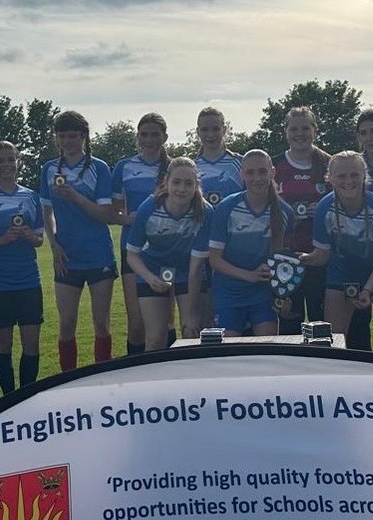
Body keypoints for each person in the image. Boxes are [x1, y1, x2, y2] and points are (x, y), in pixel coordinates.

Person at [304, 151, 373, 355]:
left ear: (364, 175)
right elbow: (323, 254)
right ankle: (338, 386)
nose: (348, 181)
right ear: (330, 178)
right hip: (342, 276)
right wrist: (301, 259)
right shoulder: (324, 208)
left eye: (354, 175)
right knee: (333, 340)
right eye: (341, 176)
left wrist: (368, 290)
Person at [40, 110, 115, 369]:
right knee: (66, 324)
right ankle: (66, 382)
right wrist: (54, 244)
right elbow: (46, 211)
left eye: (72, 136)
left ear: (83, 136)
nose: (66, 142)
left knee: (101, 323)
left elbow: (105, 215)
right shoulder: (49, 169)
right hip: (67, 257)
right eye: (61, 136)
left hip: (99, 255)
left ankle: (101, 376)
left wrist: (76, 197)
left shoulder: (100, 168)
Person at [0, 141, 45, 395]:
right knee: (3, 344)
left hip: (28, 279)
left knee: (31, 344)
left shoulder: (30, 196)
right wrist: (1, 240)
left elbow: (39, 240)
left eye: (10, 159)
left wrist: (28, 236)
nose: (6, 165)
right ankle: (8, 397)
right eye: (0, 160)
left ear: (18, 163)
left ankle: (25, 396)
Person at [125, 157, 212, 349]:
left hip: (186, 270)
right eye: (176, 182)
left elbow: (196, 266)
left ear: (196, 184)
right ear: (166, 181)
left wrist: (190, 314)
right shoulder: (149, 208)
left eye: (189, 183)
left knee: (192, 333)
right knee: (156, 338)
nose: (182, 189)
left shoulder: (205, 212)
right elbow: (132, 254)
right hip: (154, 269)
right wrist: (148, 278)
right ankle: (154, 378)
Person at [209, 150, 293, 337]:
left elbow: (281, 261)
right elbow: (214, 260)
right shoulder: (227, 207)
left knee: (266, 353)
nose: (257, 178)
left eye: (262, 172)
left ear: (273, 172)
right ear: (242, 174)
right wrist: (248, 275)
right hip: (228, 293)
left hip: (262, 295)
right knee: (230, 355)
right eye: (250, 172)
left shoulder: (285, 212)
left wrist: (283, 295)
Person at [112, 113, 170, 355]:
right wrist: (128, 219)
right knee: (136, 325)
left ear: (164, 137)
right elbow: (112, 213)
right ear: (137, 136)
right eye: (144, 134)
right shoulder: (124, 167)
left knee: (166, 323)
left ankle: (168, 377)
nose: (149, 139)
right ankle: (135, 378)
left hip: (168, 250)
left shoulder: (173, 167)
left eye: (155, 134)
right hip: (133, 251)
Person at [272, 107, 330, 332]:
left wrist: (323, 210)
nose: (300, 133)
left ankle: (323, 367)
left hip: (321, 257)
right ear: (285, 131)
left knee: (322, 323)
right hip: (286, 257)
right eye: (293, 128)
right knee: (289, 322)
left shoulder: (328, 164)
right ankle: (291, 368)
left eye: (305, 128)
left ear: (315, 130)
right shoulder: (274, 166)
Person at [194, 107, 244, 332]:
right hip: (201, 246)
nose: (211, 134)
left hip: (234, 247)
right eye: (205, 129)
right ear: (198, 132)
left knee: (237, 309)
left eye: (216, 128)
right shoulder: (191, 166)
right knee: (204, 314)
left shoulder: (240, 163)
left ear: (225, 129)